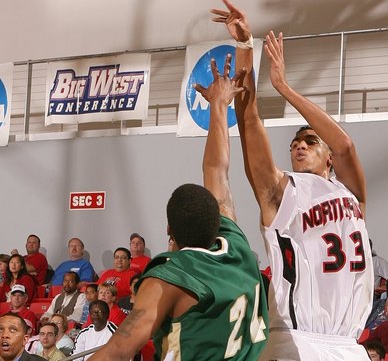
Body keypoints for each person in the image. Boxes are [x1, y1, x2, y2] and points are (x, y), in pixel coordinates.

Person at [215, 0, 373, 360]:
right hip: (297, 337)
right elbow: (249, 119)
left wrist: (286, 89)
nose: (299, 146)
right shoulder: (280, 190)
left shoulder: (351, 193)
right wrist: (244, 48)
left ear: (328, 156)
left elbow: (346, 146)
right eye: (295, 143)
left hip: (349, 344)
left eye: (309, 141)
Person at [89, 54, 268, 360]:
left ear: (169, 230)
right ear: (217, 219)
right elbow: (217, 171)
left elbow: (119, 350)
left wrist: (218, 104)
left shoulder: (170, 277)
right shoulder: (236, 247)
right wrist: (218, 106)